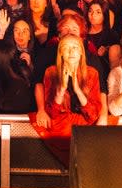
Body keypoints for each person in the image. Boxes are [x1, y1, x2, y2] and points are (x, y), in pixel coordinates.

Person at [30, 34, 103, 165]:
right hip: (61, 132)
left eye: (75, 47)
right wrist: (61, 90)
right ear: (61, 53)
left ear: (81, 52)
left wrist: (77, 90)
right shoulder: (51, 72)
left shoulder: (92, 73)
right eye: (66, 48)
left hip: (84, 134)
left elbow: (93, 115)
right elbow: (51, 114)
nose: (71, 52)